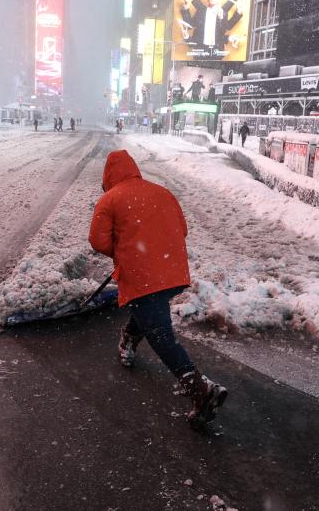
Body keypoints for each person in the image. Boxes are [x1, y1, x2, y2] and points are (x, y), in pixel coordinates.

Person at [88, 150, 228, 429]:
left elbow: (98, 241)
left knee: (161, 334)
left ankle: (200, 389)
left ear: (108, 175)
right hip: (172, 273)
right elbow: (182, 229)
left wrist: (126, 251)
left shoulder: (110, 198)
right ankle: (128, 341)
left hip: (143, 276)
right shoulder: (162, 192)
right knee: (146, 311)